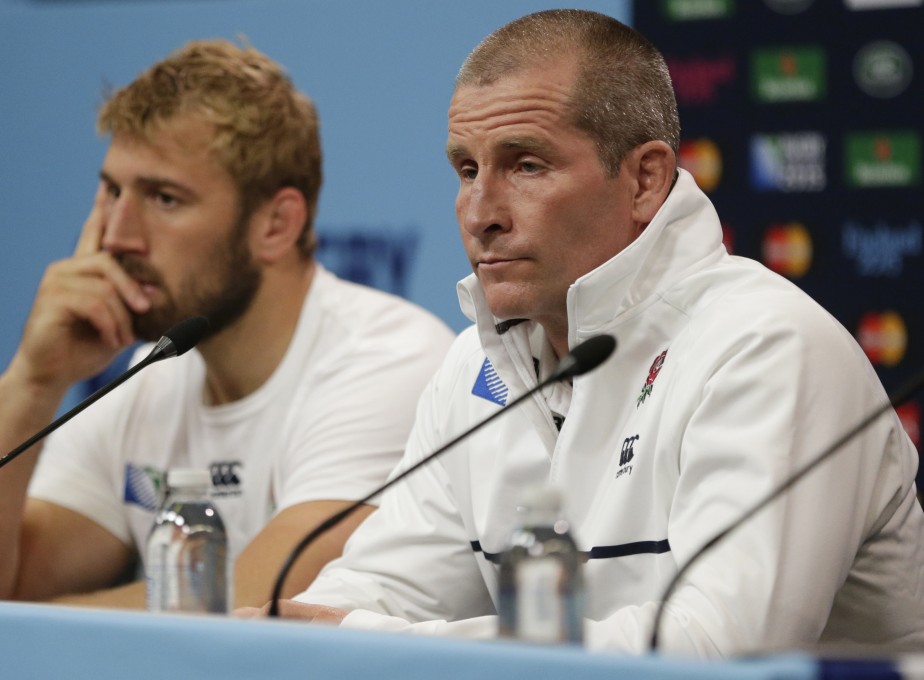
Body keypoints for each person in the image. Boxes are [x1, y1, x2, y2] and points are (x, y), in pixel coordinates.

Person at [243, 10, 924, 656]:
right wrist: (289, 638)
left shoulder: (767, 347)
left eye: (526, 165)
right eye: (467, 169)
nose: (481, 213)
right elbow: (381, 591)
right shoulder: (474, 369)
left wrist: (374, 641)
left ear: (645, 181)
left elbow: (720, 649)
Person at [0, 40, 454, 609]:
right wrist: (33, 379)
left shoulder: (388, 360)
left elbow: (253, 608)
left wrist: (15, 626)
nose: (117, 236)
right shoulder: (146, 378)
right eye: (113, 192)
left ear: (276, 224)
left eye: (164, 198)